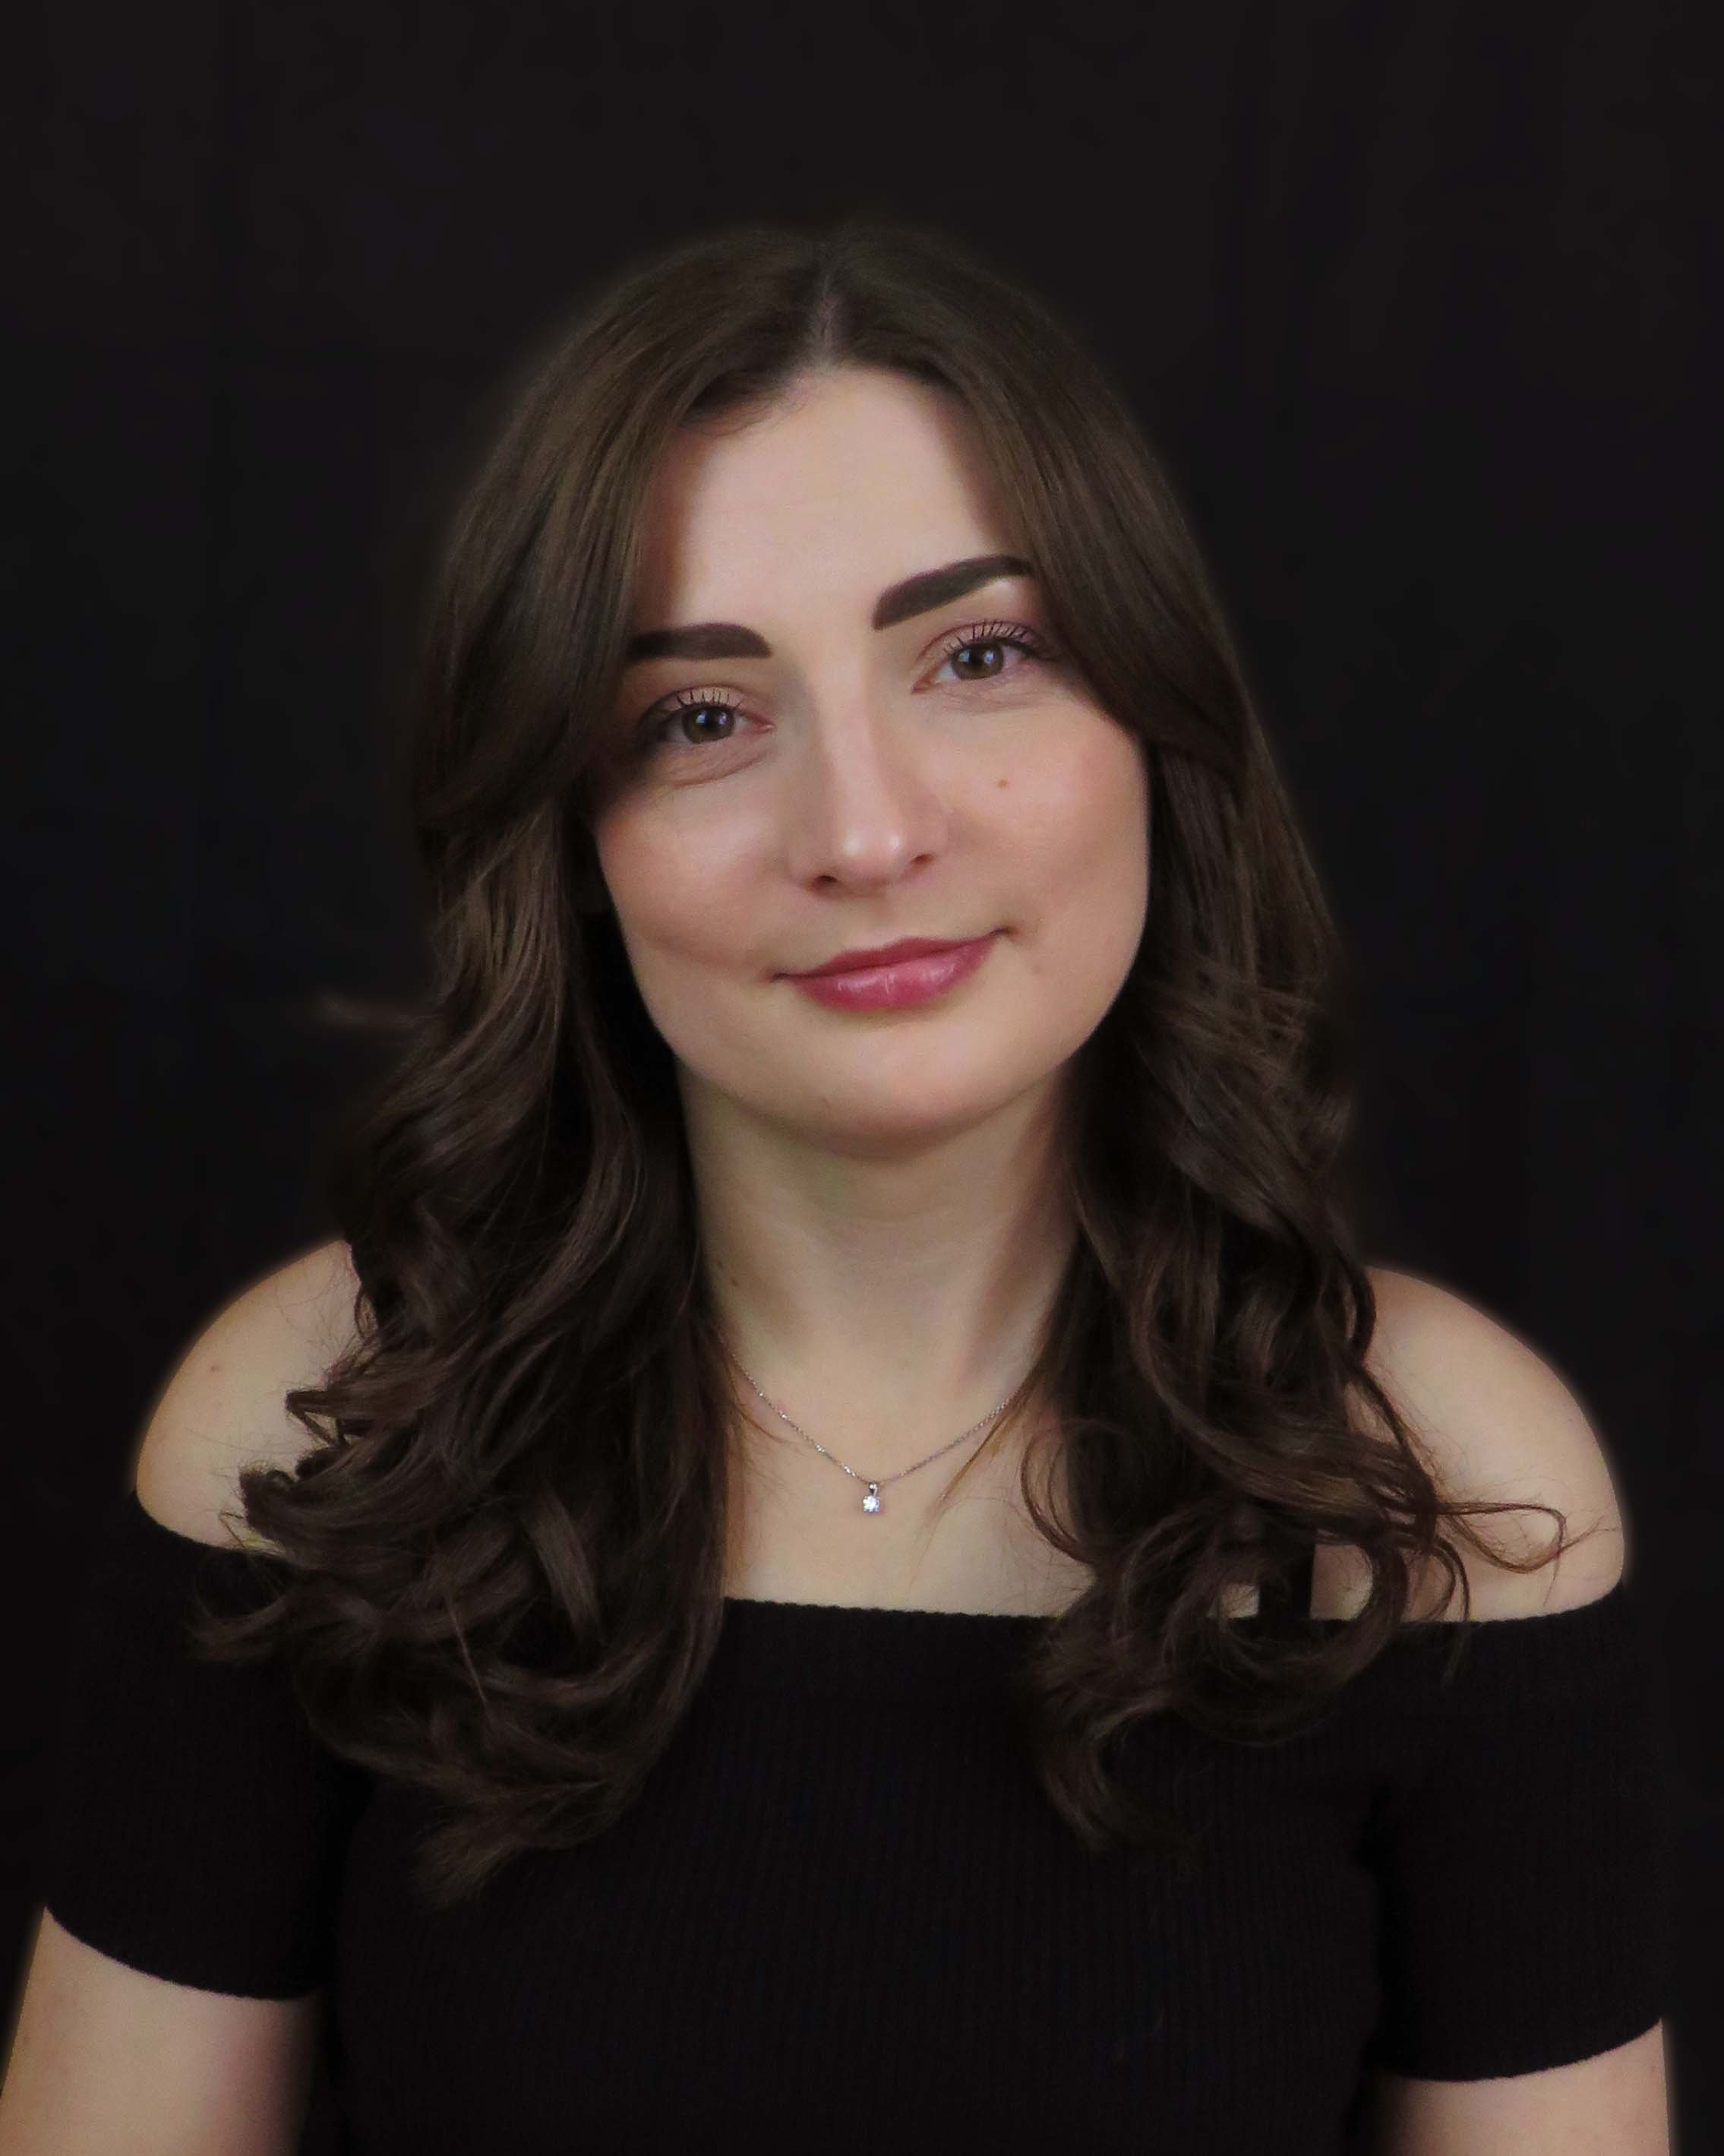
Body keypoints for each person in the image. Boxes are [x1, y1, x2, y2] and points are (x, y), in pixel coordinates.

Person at [0, 216, 1672, 2154]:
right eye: (700, 717)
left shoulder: (1442, 1481)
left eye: (979, 655)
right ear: (570, 840)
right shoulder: (319, 1431)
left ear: (1155, 722)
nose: (866, 833)